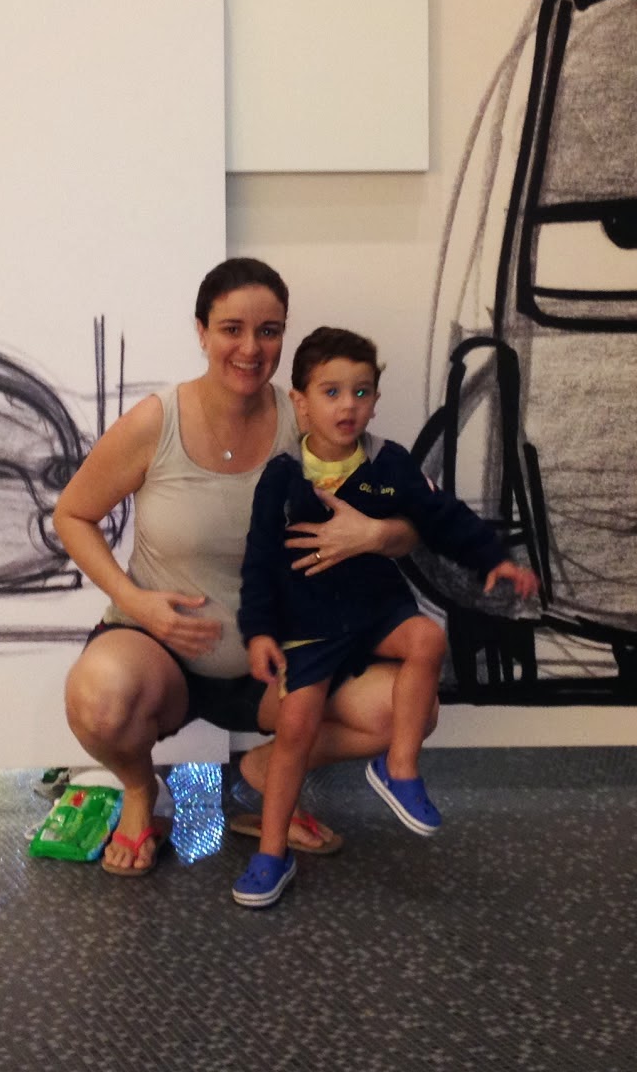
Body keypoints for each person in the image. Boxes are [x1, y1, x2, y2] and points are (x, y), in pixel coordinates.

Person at [55, 260, 419, 876]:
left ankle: (262, 778)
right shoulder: (156, 421)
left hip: (277, 660)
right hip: (161, 651)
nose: (251, 348)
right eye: (232, 329)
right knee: (99, 700)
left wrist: (378, 532)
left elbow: (414, 523)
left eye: (269, 331)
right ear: (201, 331)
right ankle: (143, 792)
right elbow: (72, 514)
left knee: (405, 708)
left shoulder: (309, 420)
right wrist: (136, 603)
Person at [230, 327, 538, 908]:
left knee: (427, 638)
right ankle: (272, 853)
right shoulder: (282, 477)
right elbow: (259, 561)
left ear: (374, 398)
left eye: (362, 391)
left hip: (376, 612)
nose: (348, 405)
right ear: (300, 402)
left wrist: (494, 558)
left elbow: (443, 516)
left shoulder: (389, 463)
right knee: (296, 730)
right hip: (311, 626)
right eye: (331, 392)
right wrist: (260, 631)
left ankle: (400, 769)